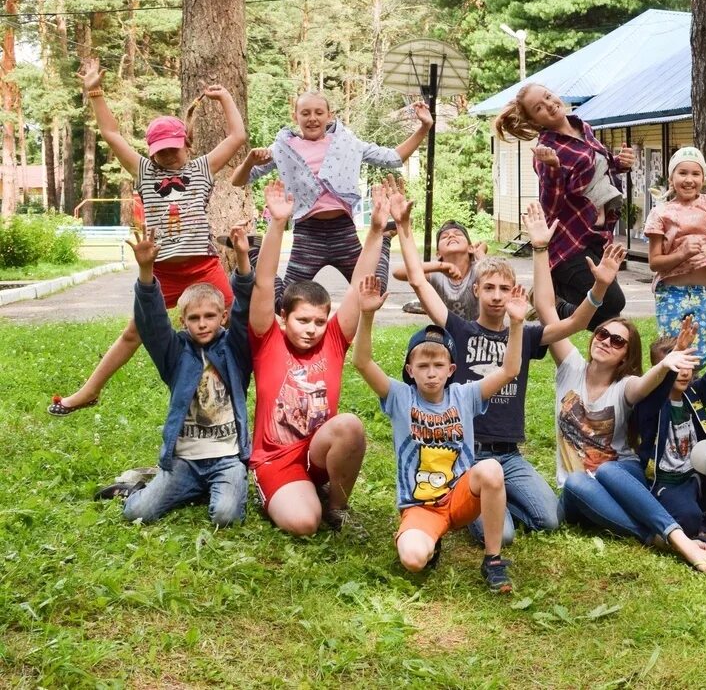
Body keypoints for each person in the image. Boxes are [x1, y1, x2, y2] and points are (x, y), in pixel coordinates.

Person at [399, 200, 623, 545]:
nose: (496, 296)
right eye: (489, 288)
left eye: (505, 289)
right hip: (470, 454)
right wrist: (404, 226)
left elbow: (576, 322)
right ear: (476, 290)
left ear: (514, 293)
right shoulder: (458, 330)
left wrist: (599, 287)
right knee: (501, 537)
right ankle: (475, 501)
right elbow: (418, 281)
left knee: (549, 520)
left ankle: (494, 503)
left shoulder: (526, 334)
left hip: (509, 454)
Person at [50, 59, 246, 415]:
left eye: (174, 148)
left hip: (204, 267)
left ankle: (263, 381)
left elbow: (238, 137)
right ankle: (89, 390)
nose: (168, 156)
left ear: (186, 142)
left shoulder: (202, 167)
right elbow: (111, 134)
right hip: (161, 272)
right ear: (151, 151)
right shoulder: (143, 170)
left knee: (244, 318)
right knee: (133, 333)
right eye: (161, 152)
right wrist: (95, 91)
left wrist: (227, 98)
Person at [531, 269, 706, 573]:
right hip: (583, 494)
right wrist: (541, 246)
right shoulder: (570, 368)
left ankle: (675, 539)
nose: (606, 341)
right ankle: (655, 536)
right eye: (602, 334)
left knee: (605, 469)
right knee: (577, 481)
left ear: (625, 356)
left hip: (621, 476)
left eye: (617, 341)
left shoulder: (626, 385)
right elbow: (544, 307)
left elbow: (646, 383)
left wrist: (666, 365)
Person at [352, 273, 528, 593]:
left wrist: (516, 325)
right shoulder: (400, 397)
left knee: (490, 469)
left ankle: (493, 560)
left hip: (461, 495)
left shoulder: (466, 395)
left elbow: (509, 370)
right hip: (421, 505)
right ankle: (428, 540)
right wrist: (366, 315)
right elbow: (362, 362)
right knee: (413, 559)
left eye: (438, 365)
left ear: (451, 369)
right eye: (422, 365)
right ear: (409, 370)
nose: (431, 372)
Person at [246, 177, 392, 536]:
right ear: (283, 318)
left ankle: (336, 506)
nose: (311, 329)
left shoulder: (334, 340)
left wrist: (375, 231)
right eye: (302, 320)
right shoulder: (267, 339)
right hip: (276, 460)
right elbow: (265, 282)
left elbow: (361, 283)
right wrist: (277, 224)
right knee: (303, 524)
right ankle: (291, 496)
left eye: (318, 321)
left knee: (351, 426)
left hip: (317, 451)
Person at [105, 226, 254, 526]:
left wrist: (242, 259)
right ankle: (140, 488)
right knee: (137, 514)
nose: (202, 324)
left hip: (226, 460)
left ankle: (211, 488)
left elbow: (245, 308)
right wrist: (146, 272)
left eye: (210, 316)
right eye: (194, 318)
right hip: (184, 461)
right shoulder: (174, 354)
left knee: (226, 516)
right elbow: (153, 324)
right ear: (182, 320)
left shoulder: (234, 349)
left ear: (222, 316)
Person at [229, 91, 433, 308]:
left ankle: (383, 239)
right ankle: (254, 252)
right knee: (283, 303)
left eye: (319, 112)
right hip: (308, 233)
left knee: (373, 292)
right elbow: (237, 180)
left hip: (342, 231)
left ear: (330, 116)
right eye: (305, 113)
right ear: (294, 116)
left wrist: (424, 128)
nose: (312, 118)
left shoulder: (347, 143)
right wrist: (250, 162)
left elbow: (393, 158)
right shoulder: (283, 148)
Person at [492, 83, 634, 329]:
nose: (549, 105)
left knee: (609, 314)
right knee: (612, 304)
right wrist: (554, 169)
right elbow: (551, 206)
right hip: (569, 246)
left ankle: (550, 298)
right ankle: (554, 306)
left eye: (548, 97)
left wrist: (621, 163)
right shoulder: (547, 151)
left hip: (597, 237)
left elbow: (600, 170)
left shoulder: (583, 127)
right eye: (539, 107)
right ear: (535, 120)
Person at [630, 298, 706, 544]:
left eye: (688, 363)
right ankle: (697, 520)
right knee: (688, 518)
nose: (684, 371)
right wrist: (671, 362)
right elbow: (657, 390)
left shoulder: (692, 394)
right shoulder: (650, 402)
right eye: (677, 364)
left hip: (696, 475)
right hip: (667, 481)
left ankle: (705, 512)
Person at [643, 145, 706, 363]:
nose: (689, 179)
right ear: (671, 178)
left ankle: (690, 394)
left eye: (696, 173)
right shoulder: (661, 212)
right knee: (670, 350)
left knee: (699, 351)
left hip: (704, 291)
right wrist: (682, 254)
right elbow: (654, 263)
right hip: (671, 292)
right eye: (682, 172)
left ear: (703, 178)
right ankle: (669, 394)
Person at [395, 220, 488, 318]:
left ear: (470, 248)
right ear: (438, 254)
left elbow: (495, 275)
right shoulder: (436, 274)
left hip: (480, 332)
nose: (451, 236)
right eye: (444, 236)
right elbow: (398, 272)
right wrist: (440, 266)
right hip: (446, 332)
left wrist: (480, 253)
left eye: (458, 234)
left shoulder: (478, 269)